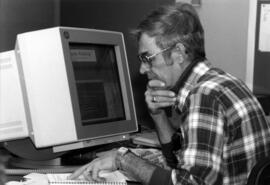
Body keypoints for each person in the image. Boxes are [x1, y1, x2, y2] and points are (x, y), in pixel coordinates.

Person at [69, 2, 270, 185]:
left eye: (147, 58)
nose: (141, 69)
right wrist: (158, 115)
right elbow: (178, 166)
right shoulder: (219, 82)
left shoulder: (205, 96)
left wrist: (122, 158)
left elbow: (187, 183)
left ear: (179, 53)